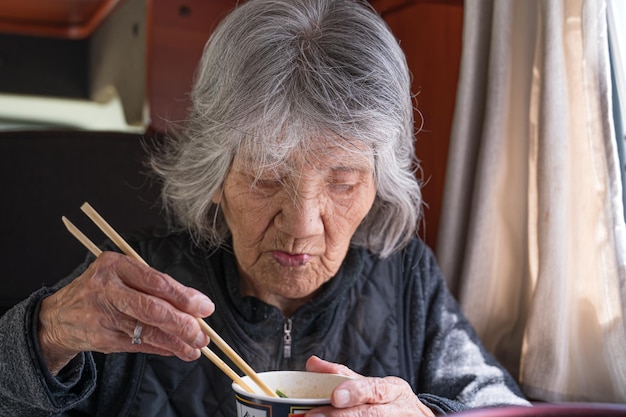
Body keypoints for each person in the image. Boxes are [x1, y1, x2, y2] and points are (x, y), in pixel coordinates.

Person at [0, 0, 530, 415]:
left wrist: (426, 416)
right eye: (264, 179)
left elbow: (501, 406)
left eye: (343, 181)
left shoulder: (407, 275)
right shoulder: (134, 279)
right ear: (213, 176)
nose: (301, 227)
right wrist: (44, 336)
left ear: (378, 185)